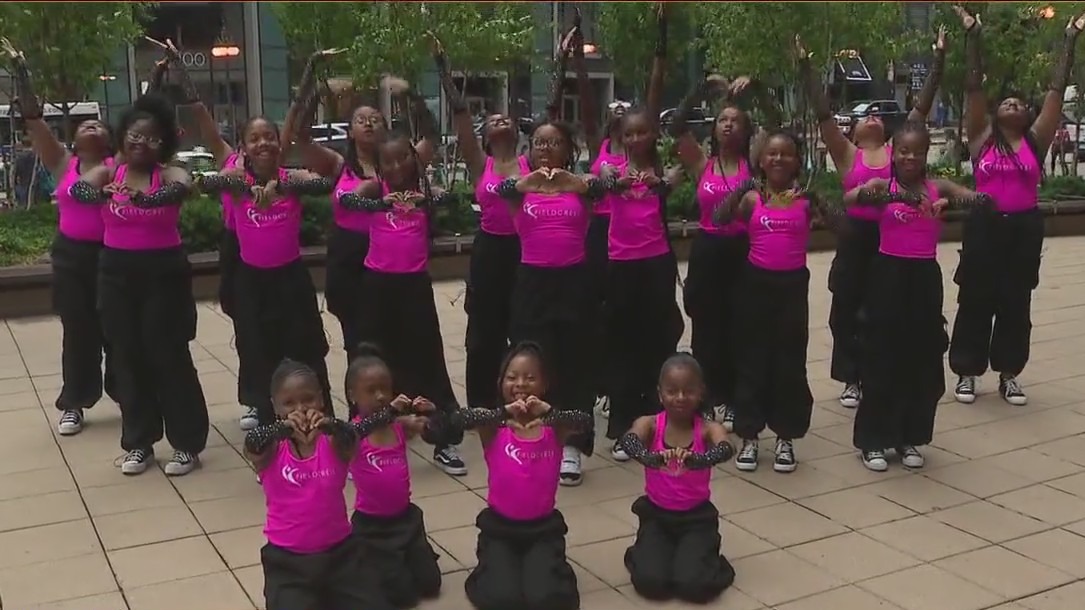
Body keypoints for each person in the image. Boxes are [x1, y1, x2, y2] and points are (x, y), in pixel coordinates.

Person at [797, 29, 945, 410]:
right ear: (854, 132)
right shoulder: (847, 153)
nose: (875, 116)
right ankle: (850, 378)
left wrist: (939, 60)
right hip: (855, 236)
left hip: (888, 237)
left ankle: (879, 373)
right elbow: (822, 111)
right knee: (846, 306)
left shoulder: (899, 150)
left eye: (879, 115)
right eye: (867, 116)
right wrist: (805, 64)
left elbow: (921, 109)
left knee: (878, 311)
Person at [949, 6, 1084, 406]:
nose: (1011, 104)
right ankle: (967, 372)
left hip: (1023, 228)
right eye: (1005, 102)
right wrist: (972, 35)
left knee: (1015, 300)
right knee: (975, 298)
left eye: (1018, 103)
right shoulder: (981, 138)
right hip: (984, 226)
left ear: (1027, 115)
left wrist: (1070, 38)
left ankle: (1009, 373)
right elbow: (974, 88)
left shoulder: (1035, 142)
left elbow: (1056, 93)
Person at [69, 93, 209, 476]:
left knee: (168, 356)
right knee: (127, 357)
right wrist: (101, 193)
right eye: (133, 135)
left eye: (150, 138)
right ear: (122, 136)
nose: (140, 143)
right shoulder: (109, 171)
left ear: (163, 143)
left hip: (163, 273)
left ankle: (186, 443)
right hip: (116, 273)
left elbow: (181, 187)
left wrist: (145, 200)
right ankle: (139, 443)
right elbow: (78, 190)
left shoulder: (167, 172)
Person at [844, 121, 994, 471]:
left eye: (918, 151)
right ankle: (873, 440)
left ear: (928, 153)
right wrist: (887, 195)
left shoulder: (934, 185)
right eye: (904, 150)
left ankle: (908, 436)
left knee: (921, 358)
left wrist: (950, 201)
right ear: (894, 153)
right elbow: (851, 197)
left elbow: (981, 199)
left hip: (924, 277)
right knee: (882, 356)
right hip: (888, 275)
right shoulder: (886, 184)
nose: (910, 157)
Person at [1, 38, 118, 436]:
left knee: (118, 328)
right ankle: (75, 403)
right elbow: (34, 121)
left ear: (108, 138)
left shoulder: (119, 166)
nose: (91, 125)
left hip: (112, 256)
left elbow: (144, 120)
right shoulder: (62, 162)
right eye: (86, 122)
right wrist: (22, 75)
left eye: (98, 124)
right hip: (72, 258)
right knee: (78, 329)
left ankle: (131, 394)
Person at [340, 132, 467, 475]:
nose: (396, 166)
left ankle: (444, 437)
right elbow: (346, 200)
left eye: (402, 158)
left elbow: (454, 201)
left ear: (413, 159)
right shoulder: (374, 189)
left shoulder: (425, 192)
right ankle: (363, 436)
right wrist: (380, 205)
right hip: (377, 287)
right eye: (388, 162)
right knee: (371, 359)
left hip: (414, 287)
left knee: (427, 358)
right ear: (379, 168)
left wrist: (430, 201)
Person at [196, 116, 335, 427]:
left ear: (279, 143)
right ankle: (271, 434)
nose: (263, 143)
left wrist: (281, 185)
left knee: (307, 352)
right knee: (259, 357)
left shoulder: (293, 177)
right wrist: (249, 187)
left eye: (269, 136)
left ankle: (323, 429)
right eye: (255, 138)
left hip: (291, 280)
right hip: (253, 283)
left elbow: (324, 183)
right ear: (244, 147)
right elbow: (207, 182)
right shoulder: (236, 179)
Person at [292, 72, 435, 367]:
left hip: (390, 263)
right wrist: (319, 92)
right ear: (350, 131)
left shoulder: (404, 163)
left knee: (396, 340)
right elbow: (301, 136)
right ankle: (363, 405)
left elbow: (431, 136)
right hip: (349, 258)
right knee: (360, 342)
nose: (369, 123)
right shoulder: (338, 164)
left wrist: (411, 95)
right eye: (361, 119)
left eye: (376, 119)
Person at [715, 130, 836, 473]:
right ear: (761, 161)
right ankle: (749, 436)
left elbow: (844, 228)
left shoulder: (804, 200)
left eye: (786, 154)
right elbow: (719, 219)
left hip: (792, 286)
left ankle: (786, 435)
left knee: (789, 361)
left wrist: (820, 200)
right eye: (772, 154)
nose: (779, 159)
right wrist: (742, 188)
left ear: (798, 161)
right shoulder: (753, 199)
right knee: (752, 359)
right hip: (755, 285)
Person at [496, 120, 607, 486]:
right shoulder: (520, 187)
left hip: (574, 281)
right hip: (532, 282)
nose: (545, 149)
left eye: (554, 142)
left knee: (576, 360)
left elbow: (606, 186)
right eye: (539, 143)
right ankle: (532, 437)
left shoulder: (581, 186)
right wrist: (532, 183)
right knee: (533, 361)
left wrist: (573, 183)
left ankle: (573, 444)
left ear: (567, 148)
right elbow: (499, 189)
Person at [452, 342, 593, 610]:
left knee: (545, 599)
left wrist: (549, 412)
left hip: (541, 529)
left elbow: (584, 421)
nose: (521, 384)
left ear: (544, 384)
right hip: (500, 528)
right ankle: (497, 562)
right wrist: (503, 414)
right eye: (512, 377)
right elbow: (458, 419)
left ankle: (545, 564)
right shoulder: (493, 426)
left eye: (530, 378)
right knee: (502, 599)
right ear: (501, 382)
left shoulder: (555, 427)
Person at [243, 359, 393, 610]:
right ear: (275, 406)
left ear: (321, 400)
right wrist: (282, 429)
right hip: (288, 562)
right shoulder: (270, 449)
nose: (300, 408)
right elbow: (252, 442)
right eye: (289, 403)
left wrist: (329, 425)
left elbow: (350, 434)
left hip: (340, 555)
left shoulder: (336, 442)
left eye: (308, 399)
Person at [669, 72, 765, 427]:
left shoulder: (753, 163)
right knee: (706, 325)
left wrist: (753, 90)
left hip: (742, 249)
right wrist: (702, 87)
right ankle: (706, 396)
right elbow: (677, 126)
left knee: (740, 325)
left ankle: (736, 397)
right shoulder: (701, 164)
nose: (728, 126)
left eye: (735, 121)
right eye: (722, 120)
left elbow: (775, 125)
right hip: (708, 248)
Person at [597, 104, 684, 462]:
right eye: (628, 133)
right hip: (621, 263)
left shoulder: (661, 171)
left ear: (653, 135)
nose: (635, 139)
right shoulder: (611, 167)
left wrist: (661, 183)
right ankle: (623, 426)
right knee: (623, 344)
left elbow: (680, 176)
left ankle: (660, 424)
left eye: (641, 132)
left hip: (656, 262)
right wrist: (614, 182)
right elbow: (601, 181)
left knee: (658, 341)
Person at [619, 353, 736, 603]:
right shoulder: (650, 424)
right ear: (660, 393)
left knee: (693, 587)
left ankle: (706, 557)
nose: (680, 398)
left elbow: (726, 448)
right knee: (651, 584)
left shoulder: (707, 428)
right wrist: (650, 458)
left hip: (696, 518)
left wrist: (698, 460)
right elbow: (628, 441)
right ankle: (649, 550)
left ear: (701, 392)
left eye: (688, 391)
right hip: (657, 516)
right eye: (672, 391)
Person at [345, 343, 443, 608]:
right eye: (370, 390)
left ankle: (407, 557)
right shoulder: (353, 434)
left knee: (430, 584)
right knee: (402, 596)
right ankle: (372, 564)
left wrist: (431, 412)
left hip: (405, 519)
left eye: (384, 388)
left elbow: (436, 431)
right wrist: (391, 413)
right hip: (372, 526)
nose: (379, 396)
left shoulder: (399, 427)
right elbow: (357, 433)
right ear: (353, 395)